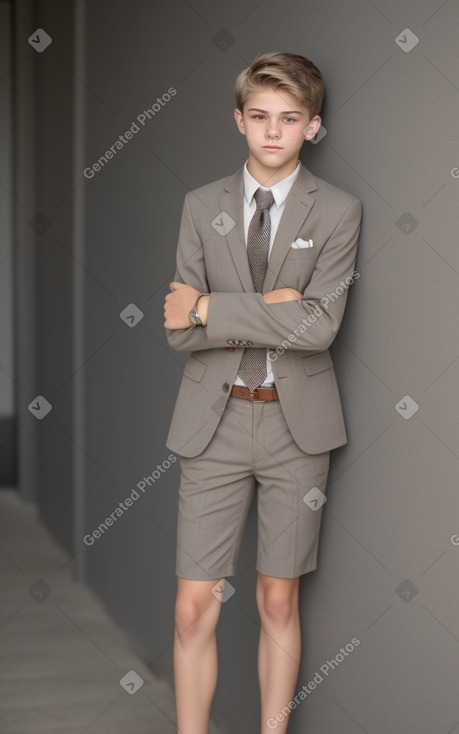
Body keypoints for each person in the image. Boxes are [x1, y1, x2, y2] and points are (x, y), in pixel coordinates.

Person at [163, 51, 362, 734]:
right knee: (193, 607)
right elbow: (177, 332)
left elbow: (319, 328)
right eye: (259, 117)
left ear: (312, 127)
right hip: (211, 425)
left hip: (295, 430)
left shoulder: (338, 210)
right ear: (238, 120)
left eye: (288, 119)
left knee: (277, 602)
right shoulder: (200, 206)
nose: (272, 132)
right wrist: (274, 304)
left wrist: (211, 308)